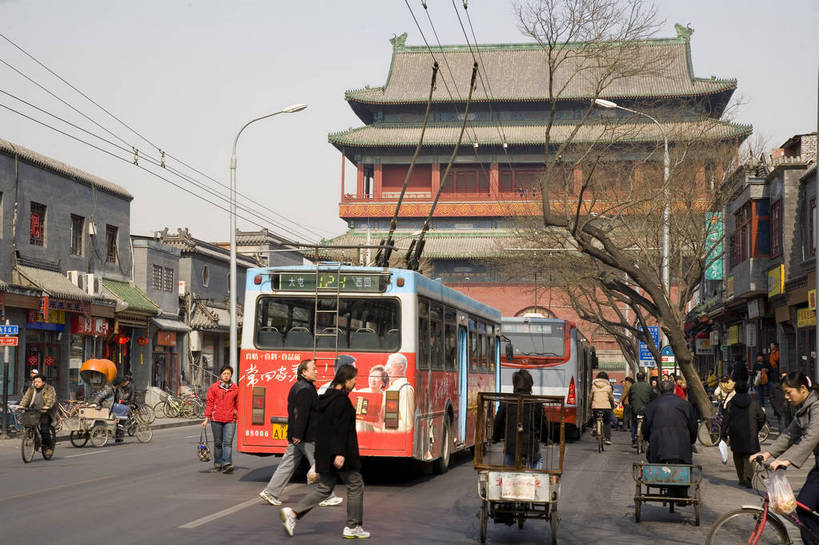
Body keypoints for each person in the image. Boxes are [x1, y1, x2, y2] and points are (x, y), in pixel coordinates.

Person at [281, 364, 370, 539]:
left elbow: (323, 429)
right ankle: (353, 526)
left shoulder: (325, 397)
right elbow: (340, 429)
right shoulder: (342, 401)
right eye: (354, 380)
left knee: (324, 488)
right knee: (356, 484)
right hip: (338, 452)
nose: (355, 383)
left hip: (324, 451)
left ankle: (292, 514)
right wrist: (340, 453)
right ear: (346, 380)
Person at [259, 359, 342, 507]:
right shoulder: (305, 389)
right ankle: (327, 496)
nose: (317, 371)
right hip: (306, 436)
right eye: (313, 369)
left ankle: (270, 492)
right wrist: (298, 434)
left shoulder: (302, 386)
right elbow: (300, 414)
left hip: (299, 436)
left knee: (287, 464)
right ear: (304, 372)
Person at [752, 373, 819, 544]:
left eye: (789, 393)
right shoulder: (803, 408)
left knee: (805, 506)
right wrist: (767, 454)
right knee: (807, 509)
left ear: (803, 389)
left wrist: (787, 460)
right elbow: (789, 435)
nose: (786, 397)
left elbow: (812, 437)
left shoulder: (817, 406)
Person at [492, 369, 543, 467]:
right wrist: (546, 438)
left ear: (514, 384)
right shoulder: (536, 403)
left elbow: (497, 421)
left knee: (508, 467)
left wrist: (495, 437)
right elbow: (543, 424)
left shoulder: (507, 401)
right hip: (531, 448)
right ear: (530, 385)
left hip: (511, 448)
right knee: (538, 460)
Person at [643, 378, 697, 466]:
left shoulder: (651, 406)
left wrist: (651, 439)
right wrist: (690, 441)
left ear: (659, 390)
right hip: (682, 451)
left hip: (658, 450)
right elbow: (693, 427)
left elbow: (645, 430)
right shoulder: (685, 405)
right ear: (674, 390)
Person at [722, 381, 766, 488]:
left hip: (736, 433)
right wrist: (757, 428)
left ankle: (741, 478)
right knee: (750, 455)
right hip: (751, 433)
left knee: (738, 456)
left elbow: (726, 420)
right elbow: (762, 417)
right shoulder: (754, 403)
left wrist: (723, 434)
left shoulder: (731, 403)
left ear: (735, 390)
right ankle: (748, 478)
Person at [202, 365, 239, 474]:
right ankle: (218, 464)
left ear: (231, 375)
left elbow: (238, 404)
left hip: (230, 420)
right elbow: (209, 403)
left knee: (228, 443)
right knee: (218, 443)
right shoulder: (214, 387)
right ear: (220, 375)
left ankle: (227, 463)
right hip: (216, 419)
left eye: (228, 374)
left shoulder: (235, 389)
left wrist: (237, 414)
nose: (226, 376)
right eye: (224, 374)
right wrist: (206, 419)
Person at [19, 374, 56, 457]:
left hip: (46, 412)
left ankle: (48, 447)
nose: (36, 383)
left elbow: (51, 399)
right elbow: (26, 398)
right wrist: (22, 405)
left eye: (38, 382)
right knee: (27, 423)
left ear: (43, 382)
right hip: (34, 411)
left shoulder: (49, 389)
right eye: (35, 382)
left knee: (44, 429)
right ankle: (32, 437)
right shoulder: (31, 389)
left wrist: (47, 406)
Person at [89, 377, 131, 443]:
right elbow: (100, 396)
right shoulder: (109, 390)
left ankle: (119, 427)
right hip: (109, 406)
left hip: (113, 406)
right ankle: (120, 427)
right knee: (126, 409)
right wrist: (96, 404)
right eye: (120, 384)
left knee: (123, 411)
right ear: (118, 384)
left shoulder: (117, 390)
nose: (121, 385)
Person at [384, 353, 415, 432]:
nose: (386, 368)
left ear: (401, 367)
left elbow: (408, 425)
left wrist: (382, 425)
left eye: (390, 364)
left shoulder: (405, 390)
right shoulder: (392, 388)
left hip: (394, 440)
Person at [628, 372, 657, 448]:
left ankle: (634, 439)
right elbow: (653, 397)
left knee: (634, 423)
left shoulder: (633, 386)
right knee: (647, 423)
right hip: (645, 409)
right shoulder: (648, 386)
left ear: (637, 378)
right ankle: (646, 437)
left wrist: (631, 404)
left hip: (635, 408)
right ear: (644, 378)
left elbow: (630, 397)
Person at [589, 371, 614, 445]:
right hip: (606, 407)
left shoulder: (594, 386)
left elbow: (590, 397)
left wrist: (590, 405)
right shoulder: (608, 387)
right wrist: (612, 406)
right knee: (607, 422)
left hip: (596, 406)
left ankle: (595, 426)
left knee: (595, 416)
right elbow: (611, 398)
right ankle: (608, 439)